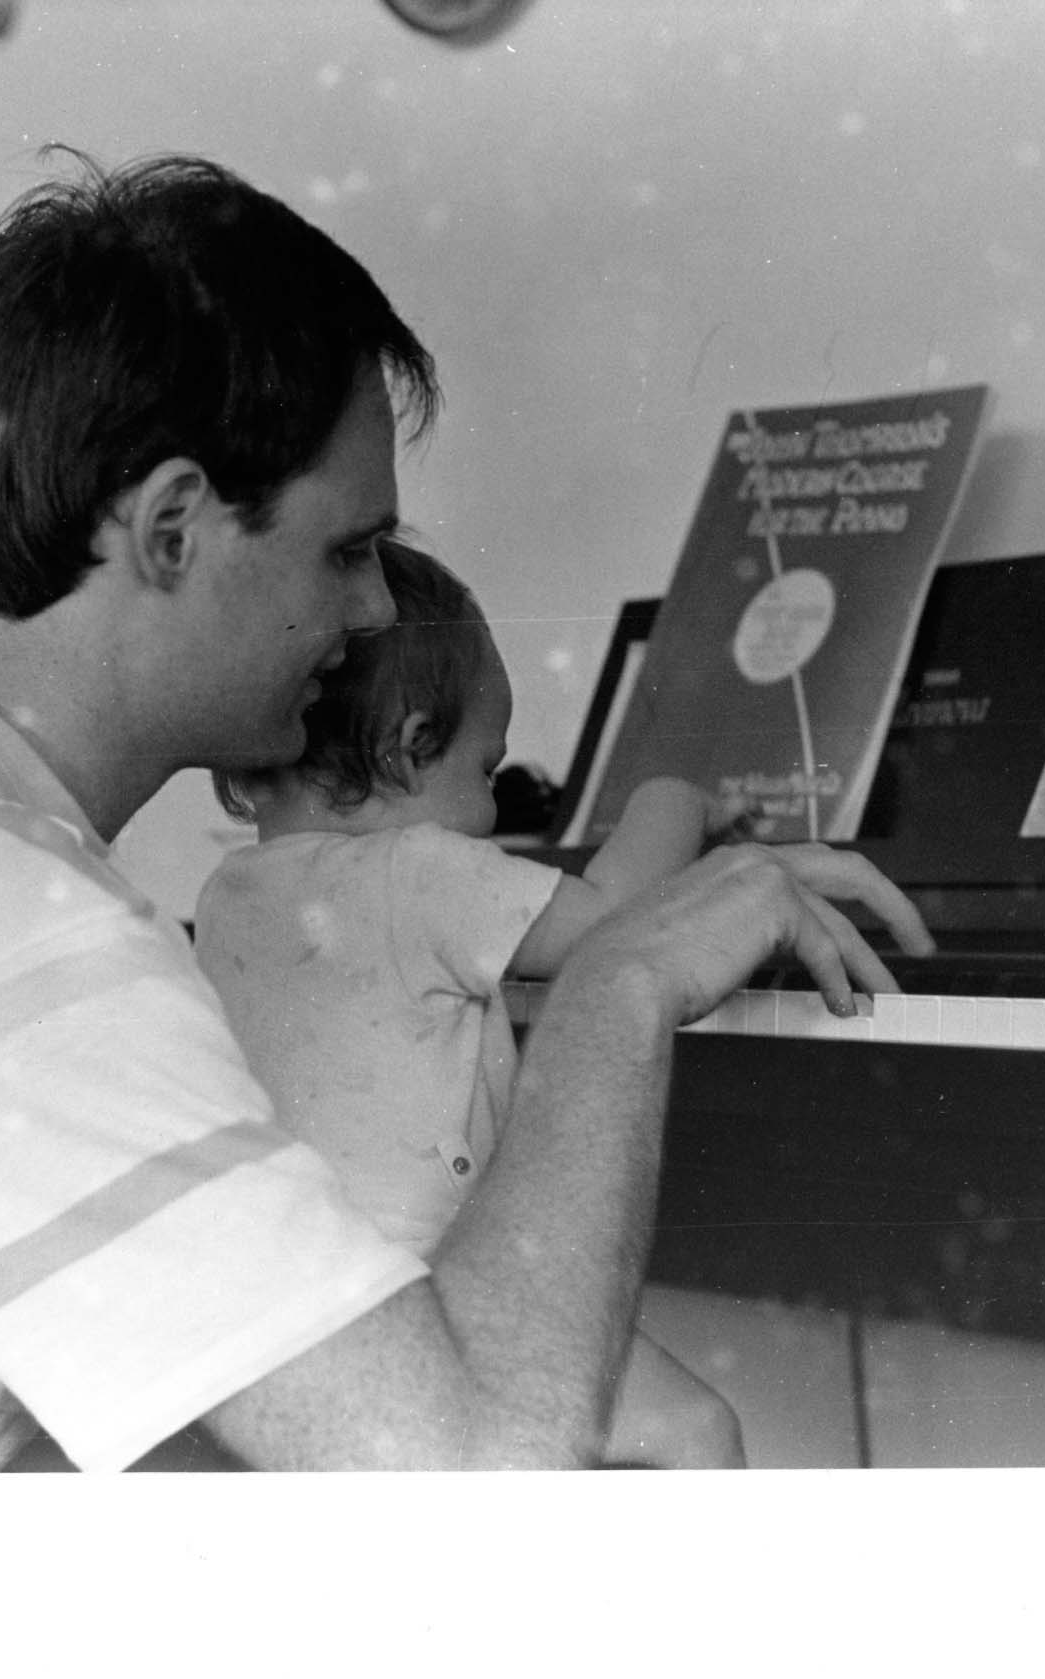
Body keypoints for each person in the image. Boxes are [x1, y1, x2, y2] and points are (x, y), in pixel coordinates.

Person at [0, 150, 933, 1472]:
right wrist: (621, 985)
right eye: (348, 549)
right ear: (170, 528)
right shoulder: (3, 931)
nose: (370, 609)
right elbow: (471, 1482)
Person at [195, 539, 748, 1466]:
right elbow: (614, 926)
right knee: (696, 1429)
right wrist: (675, 800)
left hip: (284, 1306)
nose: (491, 815)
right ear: (411, 746)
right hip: (421, 1293)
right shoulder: (420, 870)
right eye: (486, 772)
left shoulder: (226, 894)